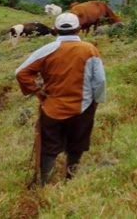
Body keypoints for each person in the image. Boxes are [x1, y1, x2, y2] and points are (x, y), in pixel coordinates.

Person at [15, 11, 106, 185]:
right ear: (78, 29)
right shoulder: (90, 50)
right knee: (77, 144)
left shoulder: (46, 50)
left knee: (49, 147)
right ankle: (70, 179)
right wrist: (96, 101)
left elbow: (21, 73)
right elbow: (100, 80)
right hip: (83, 106)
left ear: (55, 29)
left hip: (52, 108)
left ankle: (45, 183)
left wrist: (37, 91)